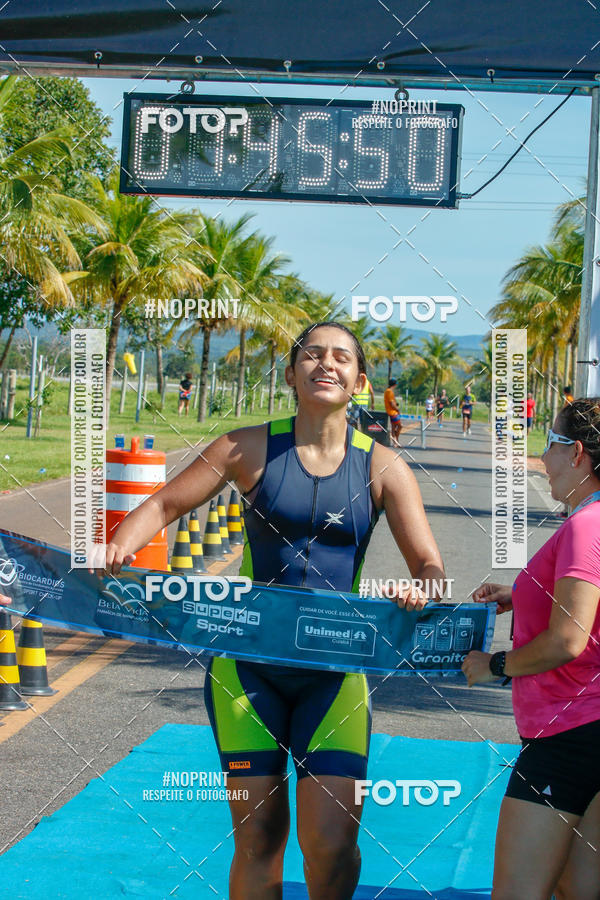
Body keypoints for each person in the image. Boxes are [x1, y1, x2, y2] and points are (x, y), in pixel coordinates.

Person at [96, 321, 445, 900]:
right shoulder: (245, 448)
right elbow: (162, 505)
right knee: (258, 837)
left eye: (341, 357)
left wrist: (422, 590)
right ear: (290, 374)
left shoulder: (384, 467)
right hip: (244, 669)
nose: (326, 364)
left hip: (334, 674)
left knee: (332, 842)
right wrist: (118, 546)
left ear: (359, 380)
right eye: (312, 355)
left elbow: (429, 565)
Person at [462, 397, 600, 900]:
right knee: (579, 888)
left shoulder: (587, 525)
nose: (542, 457)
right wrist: (522, 594)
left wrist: (496, 666)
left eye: (550, 443)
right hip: (585, 727)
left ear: (577, 453)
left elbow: (568, 639)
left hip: (569, 734)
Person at [383, 377, 402, 444]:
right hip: (393, 412)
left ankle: (395, 442)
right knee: (400, 426)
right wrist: (397, 409)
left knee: (393, 427)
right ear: (395, 384)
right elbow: (392, 403)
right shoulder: (389, 392)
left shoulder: (387, 391)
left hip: (391, 411)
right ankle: (396, 439)